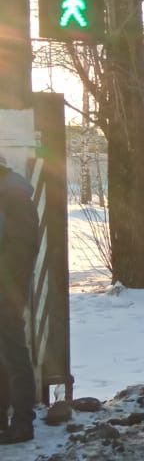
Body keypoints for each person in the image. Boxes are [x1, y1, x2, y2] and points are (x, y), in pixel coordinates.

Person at [0, 158, 41, 444]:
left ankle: (23, 421)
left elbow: (20, 252)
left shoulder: (13, 197)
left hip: (6, 292)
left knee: (13, 354)